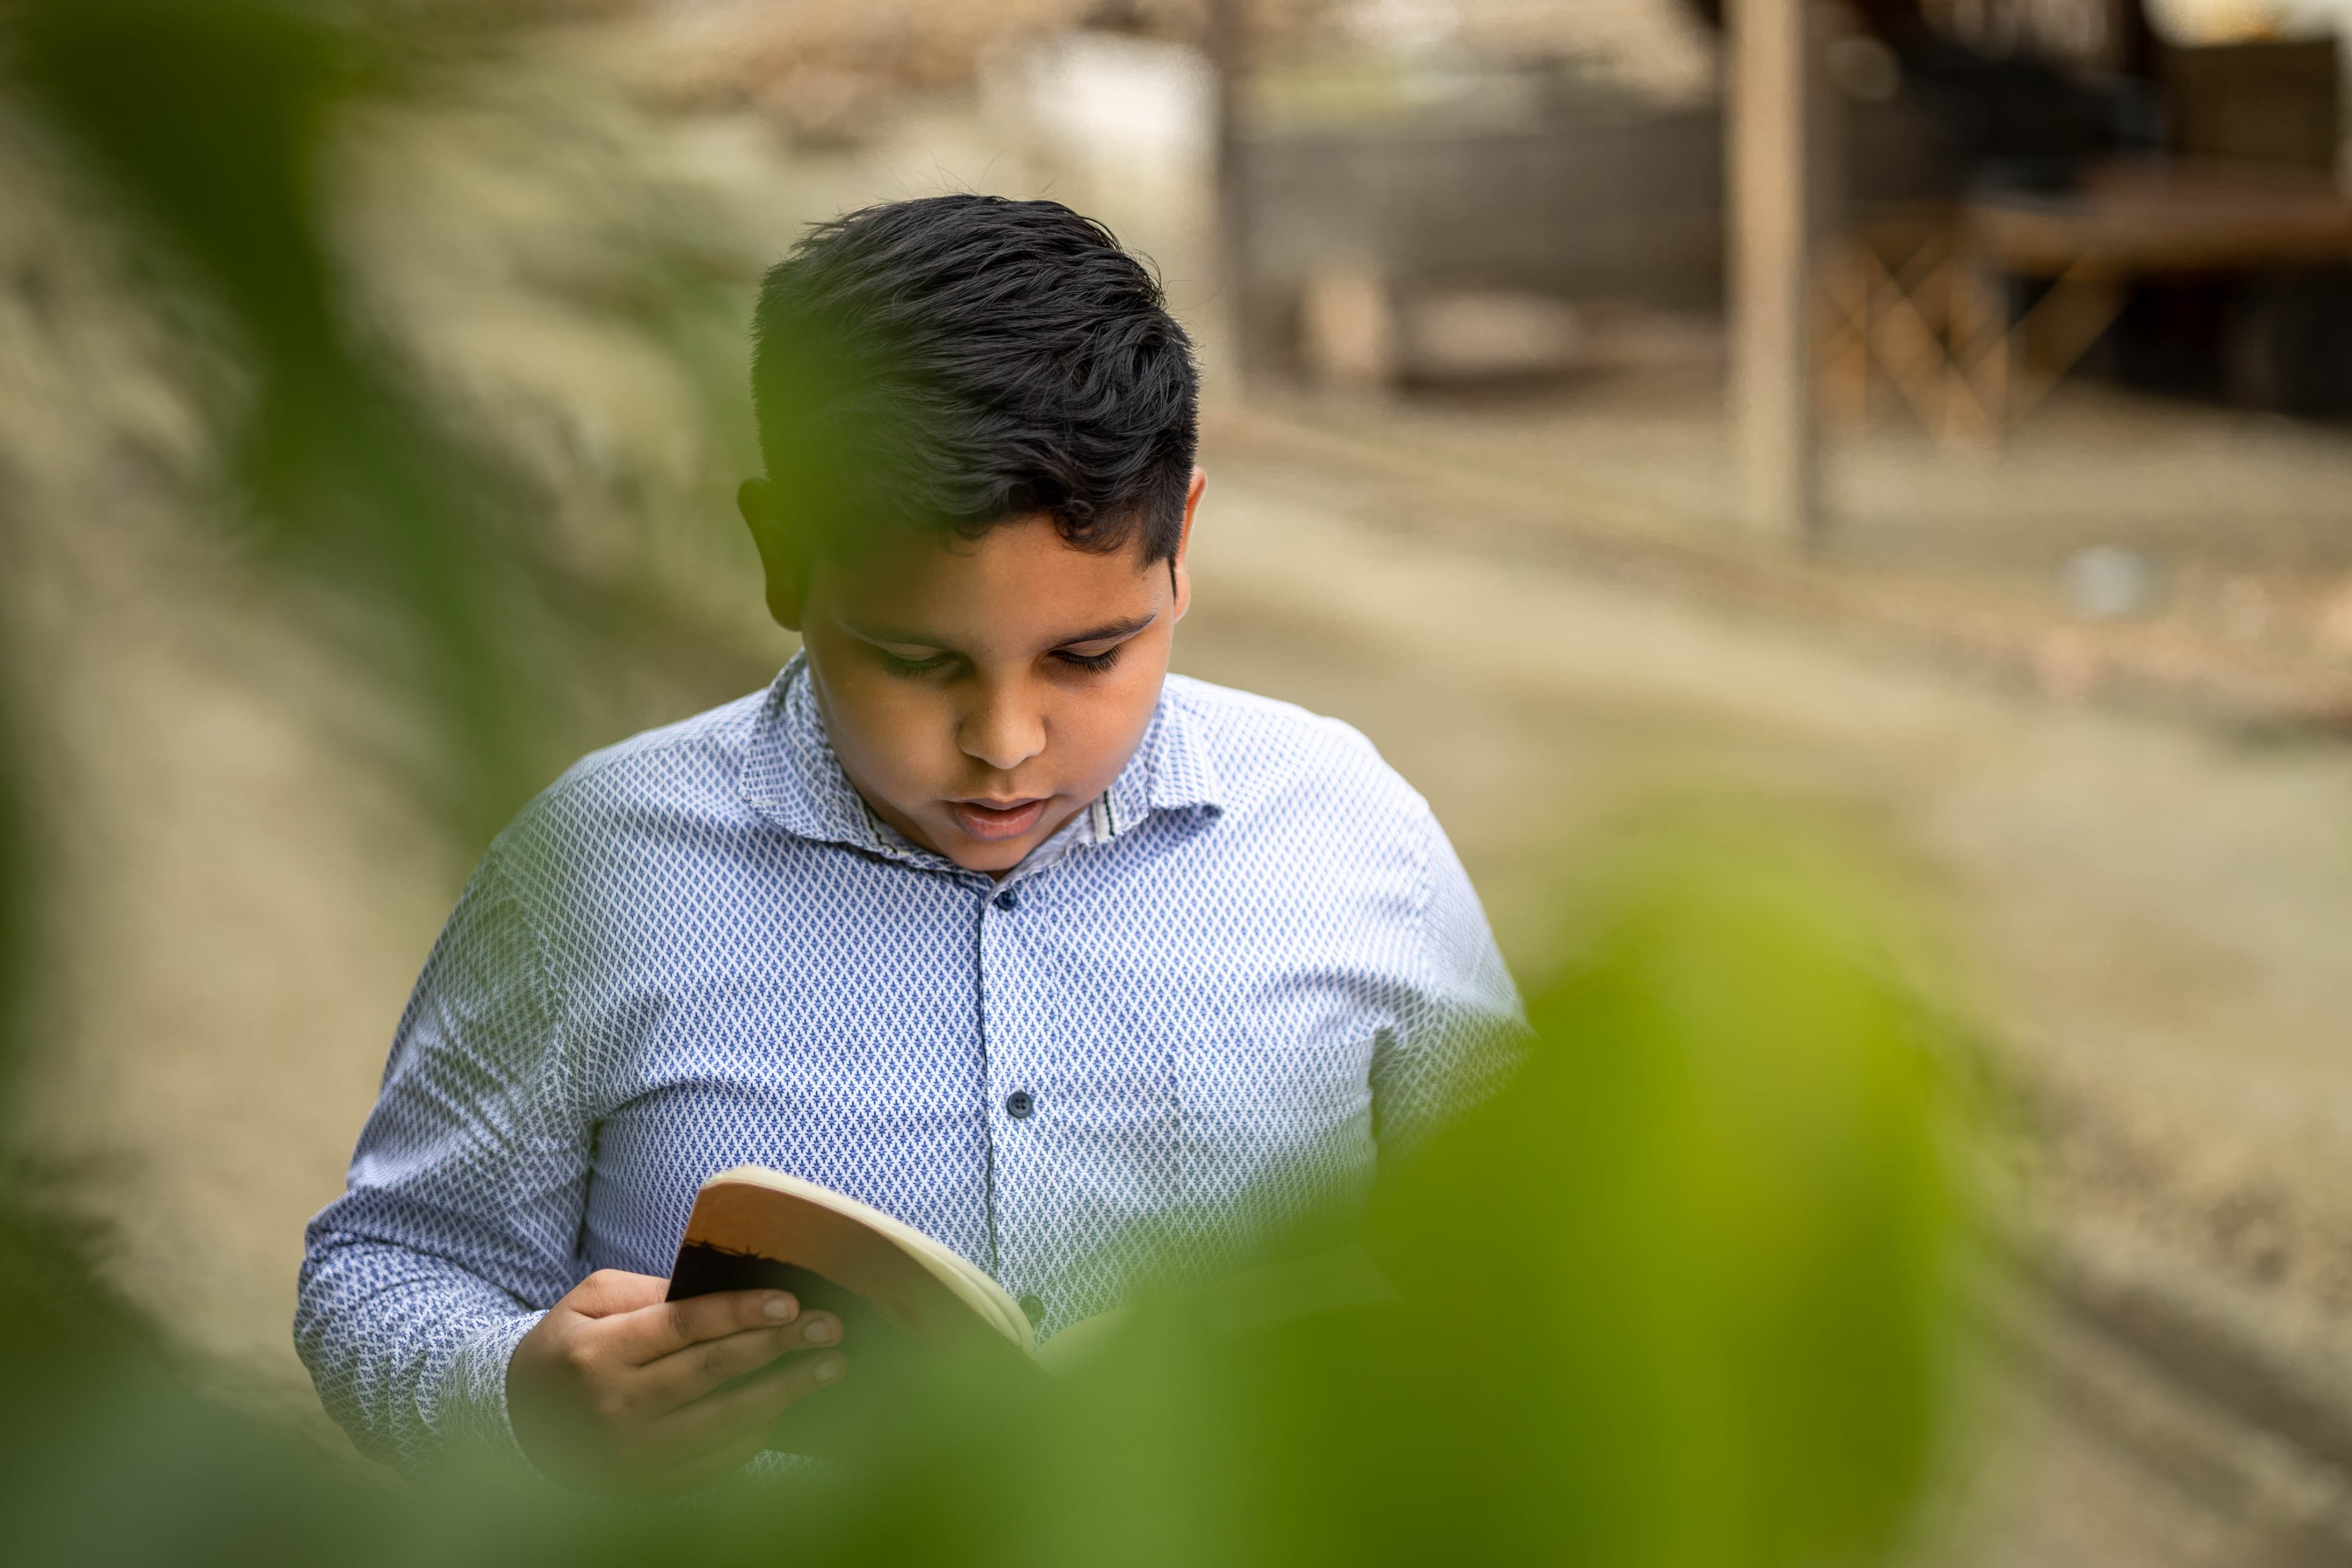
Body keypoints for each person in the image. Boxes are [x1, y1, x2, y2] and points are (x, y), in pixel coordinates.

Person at [295, 195, 1522, 1491]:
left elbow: (1553, 1249)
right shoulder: (599, 871)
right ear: (783, 555)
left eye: (1089, 655)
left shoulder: (1348, 834)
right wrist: (518, 1396)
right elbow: (385, 1270)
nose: (1005, 741)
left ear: (1183, 546)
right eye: (916, 658)